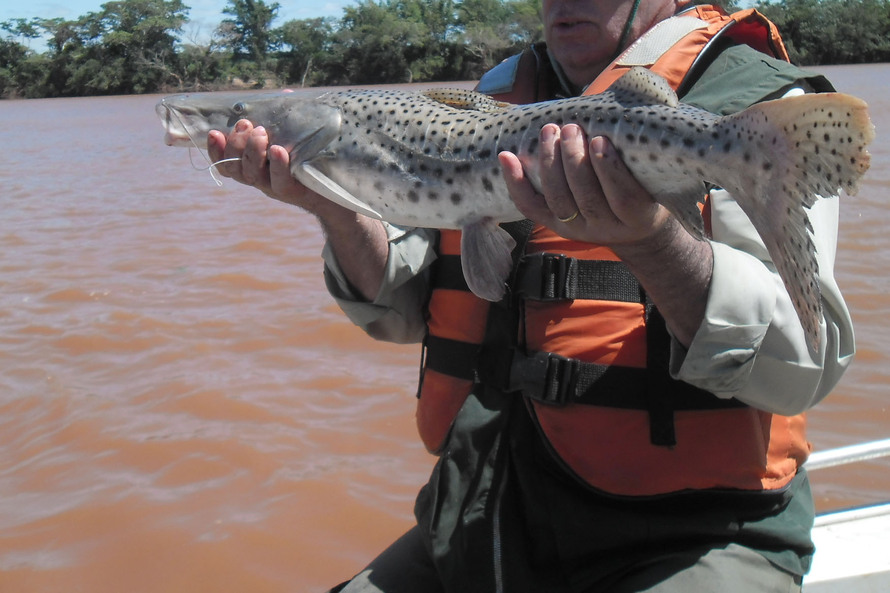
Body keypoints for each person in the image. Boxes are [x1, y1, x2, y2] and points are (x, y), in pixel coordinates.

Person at [207, 0, 855, 590]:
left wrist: (652, 240)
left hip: (691, 536)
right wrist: (335, 205)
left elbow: (803, 366)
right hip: (490, 511)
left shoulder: (753, 106)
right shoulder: (490, 100)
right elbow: (405, 309)